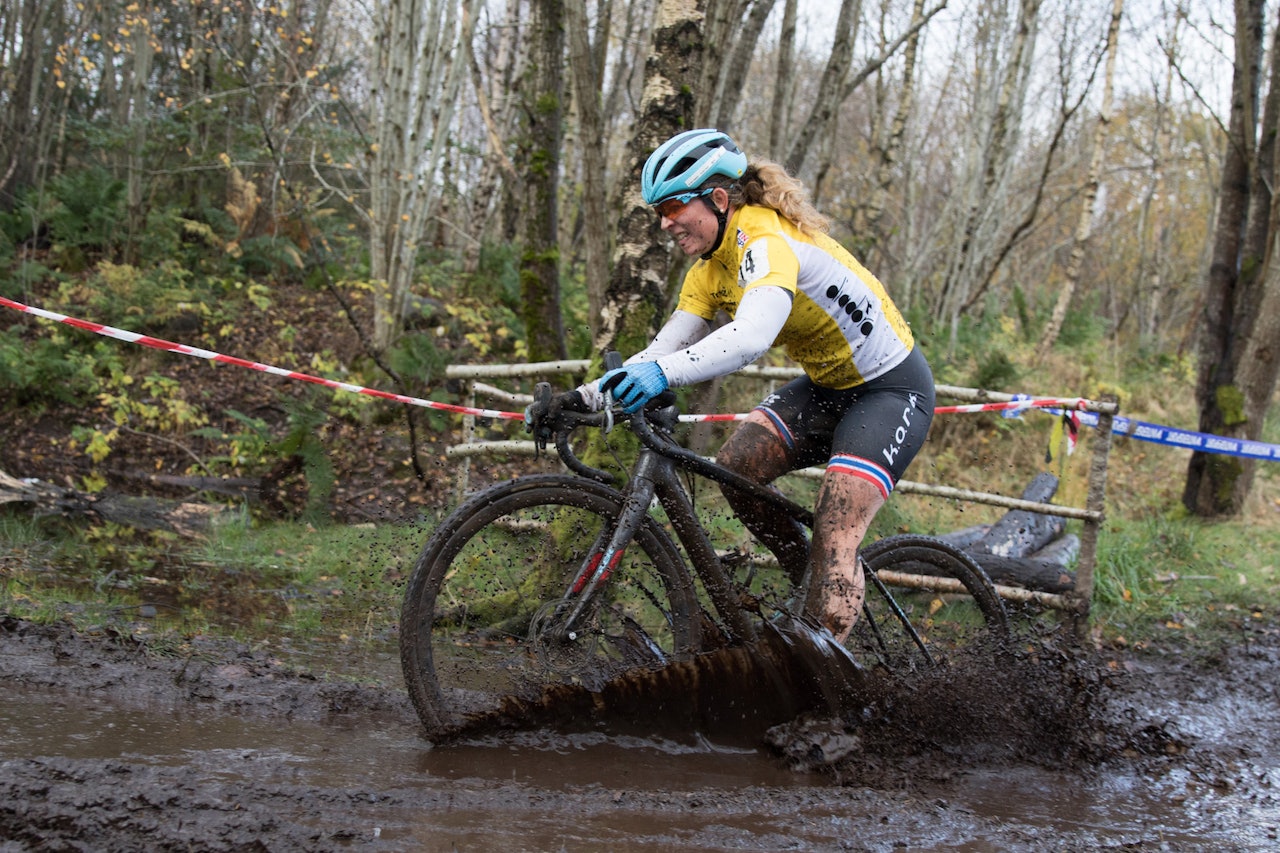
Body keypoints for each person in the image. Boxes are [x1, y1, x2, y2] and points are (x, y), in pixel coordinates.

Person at [545, 128, 934, 643]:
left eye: (674, 208)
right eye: (658, 213)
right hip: (828, 386)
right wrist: (584, 398)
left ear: (719, 199)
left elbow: (752, 336)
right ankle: (811, 595)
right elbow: (658, 353)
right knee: (737, 469)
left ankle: (831, 670)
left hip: (891, 390)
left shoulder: (766, 241)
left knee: (837, 525)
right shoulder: (708, 269)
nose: (665, 224)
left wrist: (661, 375)